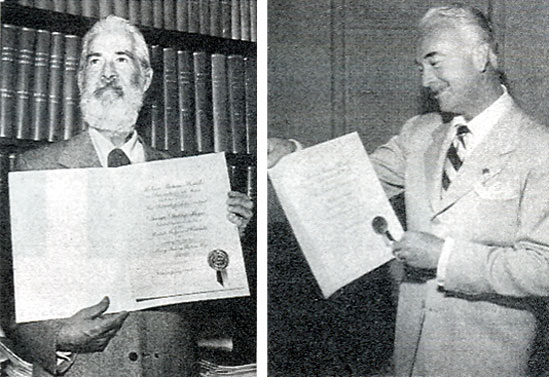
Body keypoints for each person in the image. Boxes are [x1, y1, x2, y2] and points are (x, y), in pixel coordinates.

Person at [268, 4, 548, 376]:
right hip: (410, 360)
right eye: (421, 68)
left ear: (481, 56)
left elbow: (543, 267)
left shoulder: (538, 148)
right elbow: (350, 181)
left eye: (435, 63)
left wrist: (444, 258)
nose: (425, 81)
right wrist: (292, 153)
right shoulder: (419, 133)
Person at [8, 15, 254, 376]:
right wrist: (57, 337)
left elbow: (211, 306)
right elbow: (8, 292)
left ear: (146, 78)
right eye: (95, 61)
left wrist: (228, 244)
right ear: (80, 80)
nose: (107, 73)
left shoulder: (185, 180)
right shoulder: (33, 170)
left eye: (121, 59)